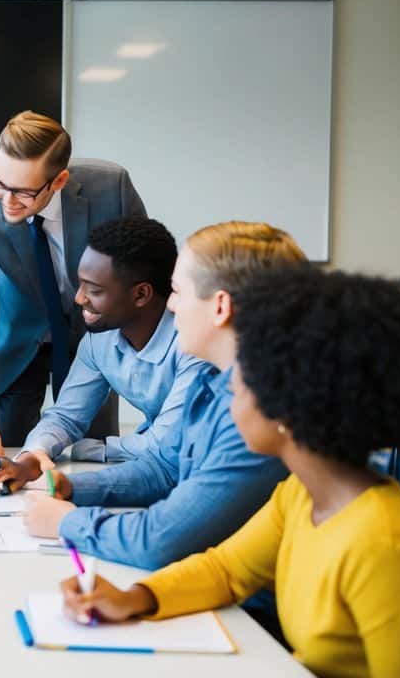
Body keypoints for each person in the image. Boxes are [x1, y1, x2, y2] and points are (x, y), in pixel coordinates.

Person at [61, 267, 400, 678]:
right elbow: (225, 570)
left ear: (286, 404)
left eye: (239, 380)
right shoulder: (300, 494)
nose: (227, 392)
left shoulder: (384, 542)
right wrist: (135, 598)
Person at [20, 221, 307, 569]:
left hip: (251, 610)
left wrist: (66, 522)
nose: (169, 306)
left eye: (176, 292)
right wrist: (71, 488)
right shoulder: (216, 386)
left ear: (220, 306)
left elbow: (159, 540)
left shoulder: (259, 415)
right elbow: (163, 470)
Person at [0, 111, 147, 469]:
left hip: (94, 341)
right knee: (4, 455)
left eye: (23, 192)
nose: (7, 200)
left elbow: (144, 275)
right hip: (18, 339)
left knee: (90, 456)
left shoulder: (112, 189)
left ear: (58, 180)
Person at [0, 217, 205, 491]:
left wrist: (90, 449)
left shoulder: (194, 343)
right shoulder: (99, 340)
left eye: (95, 290)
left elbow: (164, 442)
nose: (78, 298)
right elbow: (65, 417)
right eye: (80, 283)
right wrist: (31, 458)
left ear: (141, 294)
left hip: (201, 473)